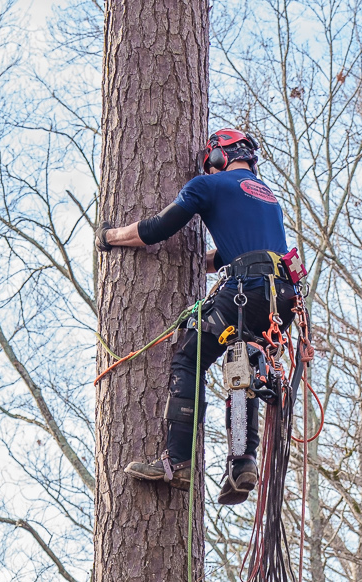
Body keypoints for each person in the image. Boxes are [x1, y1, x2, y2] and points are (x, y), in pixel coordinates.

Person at [100, 128, 299, 504]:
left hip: (247, 292)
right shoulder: (267, 197)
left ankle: (177, 462)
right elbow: (228, 255)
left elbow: (155, 230)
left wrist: (110, 237)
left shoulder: (208, 186)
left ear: (218, 158)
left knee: (189, 358)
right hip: (281, 299)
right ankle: (242, 462)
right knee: (242, 363)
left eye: (209, 163)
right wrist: (200, 262)